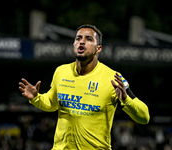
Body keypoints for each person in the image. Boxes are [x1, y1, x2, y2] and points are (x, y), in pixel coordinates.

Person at [19, 24, 150, 150]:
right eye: (78, 38)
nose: (82, 42)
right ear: (73, 45)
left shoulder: (114, 78)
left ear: (98, 49)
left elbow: (144, 117)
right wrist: (36, 98)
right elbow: (52, 103)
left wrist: (126, 100)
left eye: (88, 39)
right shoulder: (61, 71)